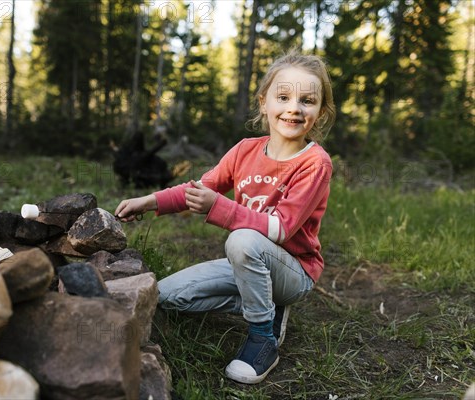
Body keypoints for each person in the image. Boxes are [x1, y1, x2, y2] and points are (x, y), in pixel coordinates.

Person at [115, 50, 336, 385]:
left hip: (293, 271)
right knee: (167, 295)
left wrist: (218, 207)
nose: (294, 107)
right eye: (283, 97)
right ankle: (263, 304)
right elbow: (197, 189)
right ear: (264, 103)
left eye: (307, 100)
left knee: (243, 238)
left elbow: (279, 229)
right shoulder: (245, 150)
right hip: (249, 263)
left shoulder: (314, 164)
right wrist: (147, 201)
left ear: (319, 112)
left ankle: (263, 338)